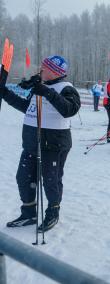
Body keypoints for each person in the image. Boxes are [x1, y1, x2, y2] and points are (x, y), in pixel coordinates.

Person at [0, 55, 80, 232]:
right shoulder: (38, 87)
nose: (41, 69)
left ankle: (53, 212)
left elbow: (70, 109)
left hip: (53, 144)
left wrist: (45, 91)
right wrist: (5, 93)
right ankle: (29, 212)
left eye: (45, 67)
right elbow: (26, 107)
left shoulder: (66, 88)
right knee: (23, 177)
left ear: (54, 71)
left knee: (51, 180)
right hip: (31, 142)